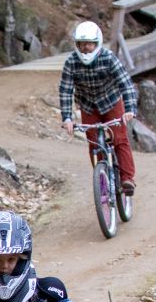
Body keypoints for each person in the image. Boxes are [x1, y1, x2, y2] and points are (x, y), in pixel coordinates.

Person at [58, 20, 138, 200]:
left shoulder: (108, 58)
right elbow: (65, 90)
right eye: (81, 44)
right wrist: (67, 118)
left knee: (119, 139)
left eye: (89, 43)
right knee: (94, 144)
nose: (86, 48)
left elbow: (126, 84)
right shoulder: (71, 63)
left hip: (111, 102)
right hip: (88, 106)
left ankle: (127, 179)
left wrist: (130, 109)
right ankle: (102, 181)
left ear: (97, 43)